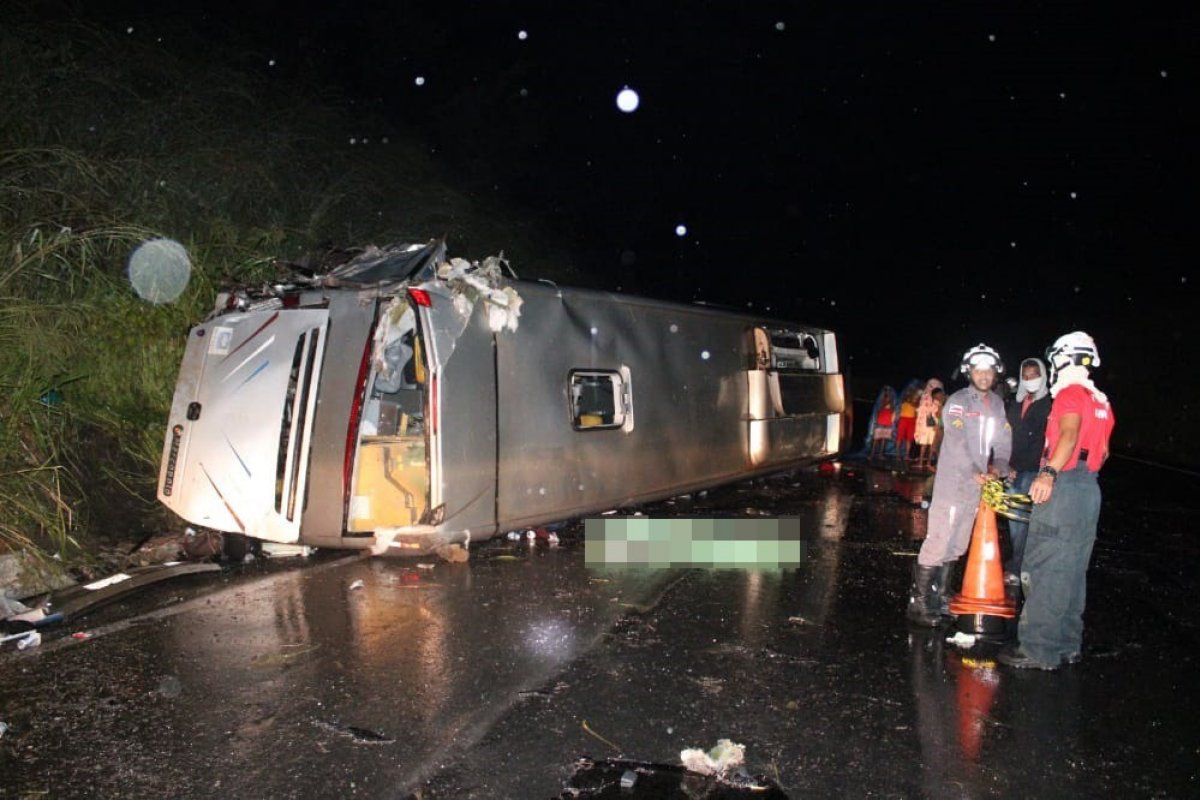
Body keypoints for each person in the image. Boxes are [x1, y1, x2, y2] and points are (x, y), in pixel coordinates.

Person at [999, 332, 1115, 670]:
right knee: (1073, 571)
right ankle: (1067, 644)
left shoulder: (1069, 393)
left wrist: (1049, 472)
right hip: (1089, 488)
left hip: (1063, 484)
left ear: (1064, 357)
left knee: (1045, 566)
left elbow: (1068, 433)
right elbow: (1104, 451)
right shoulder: (1101, 400)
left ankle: (1038, 649)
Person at [906, 344, 1012, 626]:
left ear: (995, 373)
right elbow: (957, 439)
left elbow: (1002, 442)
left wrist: (999, 468)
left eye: (989, 371)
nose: (984, 376)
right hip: (953, 482)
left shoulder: (998, 405)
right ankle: (919, 602)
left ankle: (940, 595)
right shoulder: (958, 402)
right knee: (939, 540)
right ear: (969, 372)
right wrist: (976, 470)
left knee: (958, 544)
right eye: (978, 370)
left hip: (974, 487)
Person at [1002, 358, 1052, 585]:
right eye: (1027, 376)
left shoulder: (1050, 404)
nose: (1031, 380)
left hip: (1034, 470)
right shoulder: (1015, 403)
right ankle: (1020, 565)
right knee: (1014, 521)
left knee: (1024, 521)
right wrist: (1006, 464)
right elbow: (1007, 435)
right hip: (1013, 469)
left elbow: (1047, 440)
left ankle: (1018, 567)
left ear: (1043, 375)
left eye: (1035, 375)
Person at [913, 379, 944, 471]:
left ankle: (925, 463)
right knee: (927, 444)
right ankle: (925, 463)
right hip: (928, 425)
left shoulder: (936, 400)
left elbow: (936, 413)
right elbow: (923, 410)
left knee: (928, 444)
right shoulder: (928, 397)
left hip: (931, 425)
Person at [870, 386, 897, 461]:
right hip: (880, 422)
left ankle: (880, 455)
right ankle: (872, 454)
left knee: (884, 440)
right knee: (876, 439)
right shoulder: (881, 402)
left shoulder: (892, 403)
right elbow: (878, 410)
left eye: (889, 392)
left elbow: (892, 411)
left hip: (887, 423)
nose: (888, 394)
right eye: (887, 392)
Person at [896, 385, 920, 463]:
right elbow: (906, 401)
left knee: (909, 439)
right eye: (911, 391)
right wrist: (911, 396)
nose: (912, 392)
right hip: (903, 418)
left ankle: (906, 455)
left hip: (912, 419)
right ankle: (897, 455)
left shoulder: (916, 400)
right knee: (900, 437)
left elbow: (916, 407)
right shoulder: (905, 398)